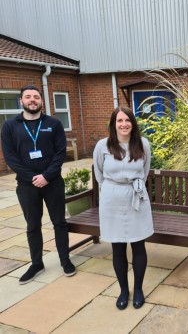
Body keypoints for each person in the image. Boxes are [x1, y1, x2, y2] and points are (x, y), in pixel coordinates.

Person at [1, 85, 76, 284]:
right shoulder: (10, 126)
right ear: (21, 101)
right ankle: (36, 263)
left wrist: (46, 176)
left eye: (36, 97)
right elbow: (10, 157)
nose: (32, 100)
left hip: (53, 183)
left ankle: (65, 260)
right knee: (32, 226)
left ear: (42, 101)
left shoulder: (54, 123)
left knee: (59, 222)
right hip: (26, 186)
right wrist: (33, 177)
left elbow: (60, 153)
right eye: (28, 97)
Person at [93, 107, 153, 310]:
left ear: (133, 123)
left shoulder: (143, 144)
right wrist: (115, 189)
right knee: (117, 247)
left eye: (127, 120)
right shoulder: (103, 146)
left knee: (138, 246)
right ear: (113, 124)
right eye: (119, 120)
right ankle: (123, 290)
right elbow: (99, 174)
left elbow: (144, 173)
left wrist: (131, 188)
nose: (124, 124)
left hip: (136, 199)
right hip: (112, 201)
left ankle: (138, 289)